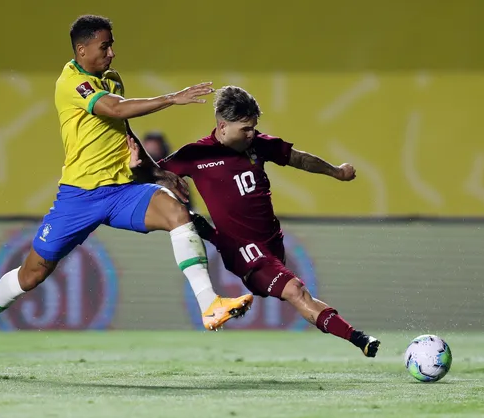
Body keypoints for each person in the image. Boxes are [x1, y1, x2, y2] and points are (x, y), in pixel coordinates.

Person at [0, 16, 253, 365]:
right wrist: (173, 98)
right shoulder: (71, 83)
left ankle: (210, 305)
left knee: (176, 213)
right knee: (32, 274)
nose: (112, 52)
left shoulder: (111, 79)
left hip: (121, 191)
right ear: (82, 49)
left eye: (112, 44)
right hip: (79, 197)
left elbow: (122, 127)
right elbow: (114, 108)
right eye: (104, 46)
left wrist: (159, 174)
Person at [155, 85, 380, 357]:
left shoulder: (258, 144)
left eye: (254, 128)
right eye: (245, 129)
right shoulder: (196, 155)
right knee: (296, 291)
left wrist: (336, 172)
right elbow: (155, 175)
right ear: (223, 126)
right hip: (243, 251)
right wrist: (134, 166)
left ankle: (212, 235)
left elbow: (297, 158)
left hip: (273, 243)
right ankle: (359, 339)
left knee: (297, 292)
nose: (252, 135)